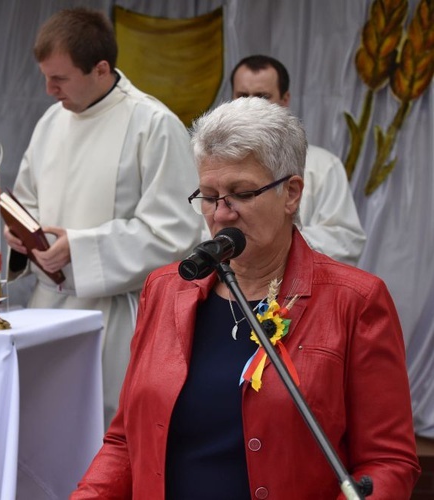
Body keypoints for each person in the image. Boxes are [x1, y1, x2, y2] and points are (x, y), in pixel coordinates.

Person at [71, 97, 420, 498]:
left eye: (241, 193)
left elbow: (388, 462)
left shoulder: (355, 301)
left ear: (291, 193)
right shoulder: (165, 290)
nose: (221, 213)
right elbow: (125, 444)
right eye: (208, 194)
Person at [4, 7, 203, 425]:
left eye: (59, 78)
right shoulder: (51, 122)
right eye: (45, 76)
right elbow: (28, 200)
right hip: (48, 311)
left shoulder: (153, 124)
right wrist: (23, 239)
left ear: (100, 69)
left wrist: (78, 246)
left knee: (104, 433)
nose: (48, 90)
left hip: (115, 319)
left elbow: (176, 233)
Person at [230, 54, 366, 266]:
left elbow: (344, 240)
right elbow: (195, 235)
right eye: (242, 96)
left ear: (285, 100)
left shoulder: (324, 166)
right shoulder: (212, 168)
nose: (251, 106)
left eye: (262, 97)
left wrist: (274, 245)